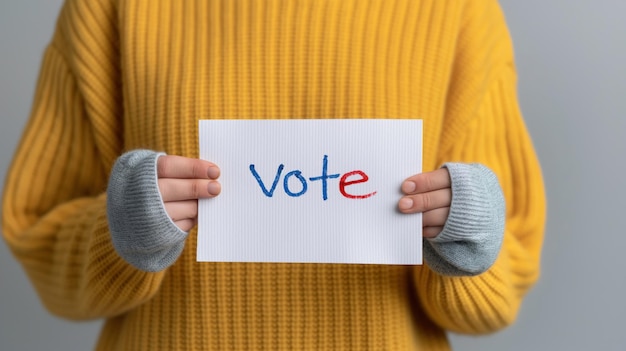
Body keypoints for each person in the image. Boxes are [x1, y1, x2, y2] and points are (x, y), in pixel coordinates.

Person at [2, 0, 546, 350]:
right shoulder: (112, 7)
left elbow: (505, 285)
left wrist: (469, 232)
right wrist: (118, 231)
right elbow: (34, 230)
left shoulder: (457, 12)